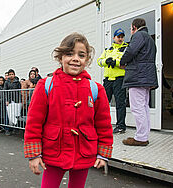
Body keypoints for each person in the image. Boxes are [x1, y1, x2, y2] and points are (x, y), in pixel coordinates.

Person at [24, 33, 113, 188]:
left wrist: (103, 153)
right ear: (60, 57)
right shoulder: (46, 85)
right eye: (69, 54)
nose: (75, 58)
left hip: (84, 151)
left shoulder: (96, 89)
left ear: (87, 60)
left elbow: (104, 124)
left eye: (81, 55)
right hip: (54, 151)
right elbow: (34, 122)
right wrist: (34, 154)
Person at [120, 18, 158, 146]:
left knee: (137, 107)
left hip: (137, 76)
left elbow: (130, 51)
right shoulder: (149, 39)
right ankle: (143, 135)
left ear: (134, 27)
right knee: (144, 107)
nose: (131, 32)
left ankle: (141, 138)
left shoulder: (138, 35)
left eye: (131, 29)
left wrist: (122, 62)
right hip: (146, 76)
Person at [97, 28, 128, 134]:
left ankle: (120, 126)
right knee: (103, 103)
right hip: (108, 81)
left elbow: (127, 62)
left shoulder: (126, 48)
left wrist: (116, 62)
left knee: (120, 103)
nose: (120, 38)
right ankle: (102, 124)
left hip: (119, 79)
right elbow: (99, 61)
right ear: (114, 38)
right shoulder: (108, 49)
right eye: (118, 37)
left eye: (122, 37)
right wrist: (107, 61)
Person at [4, 69, 21, 136]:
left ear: (14, 75)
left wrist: (19, 100)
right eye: (10, 74)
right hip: (9, 100)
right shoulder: (6, 82)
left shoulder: (17, 82)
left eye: (12, 74)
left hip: (16, 100)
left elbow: (19, 91)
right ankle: (7, 129)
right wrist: (7, 100)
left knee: (15, 114)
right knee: (9, 115)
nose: (11, 76)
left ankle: (15, 128)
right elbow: (5, 91)